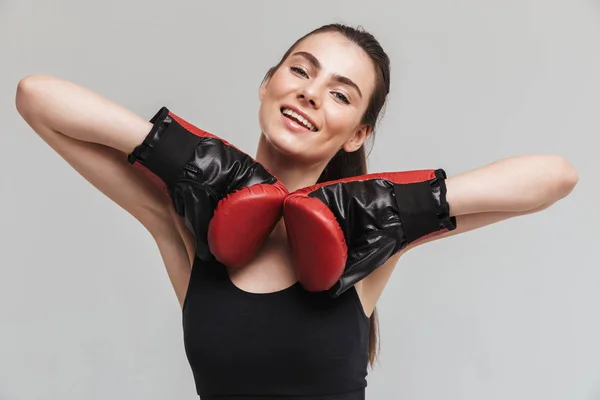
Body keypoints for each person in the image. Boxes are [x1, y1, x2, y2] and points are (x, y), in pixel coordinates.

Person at [15, 23, 578, 399]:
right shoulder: (188, 229)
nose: (311, 93)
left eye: (341, 92)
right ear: (268, 84)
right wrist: (205, 166)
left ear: (358, 132)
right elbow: (37, 97)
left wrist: (382, 204)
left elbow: (554, 178)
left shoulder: (371, 241)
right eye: (301, 70)